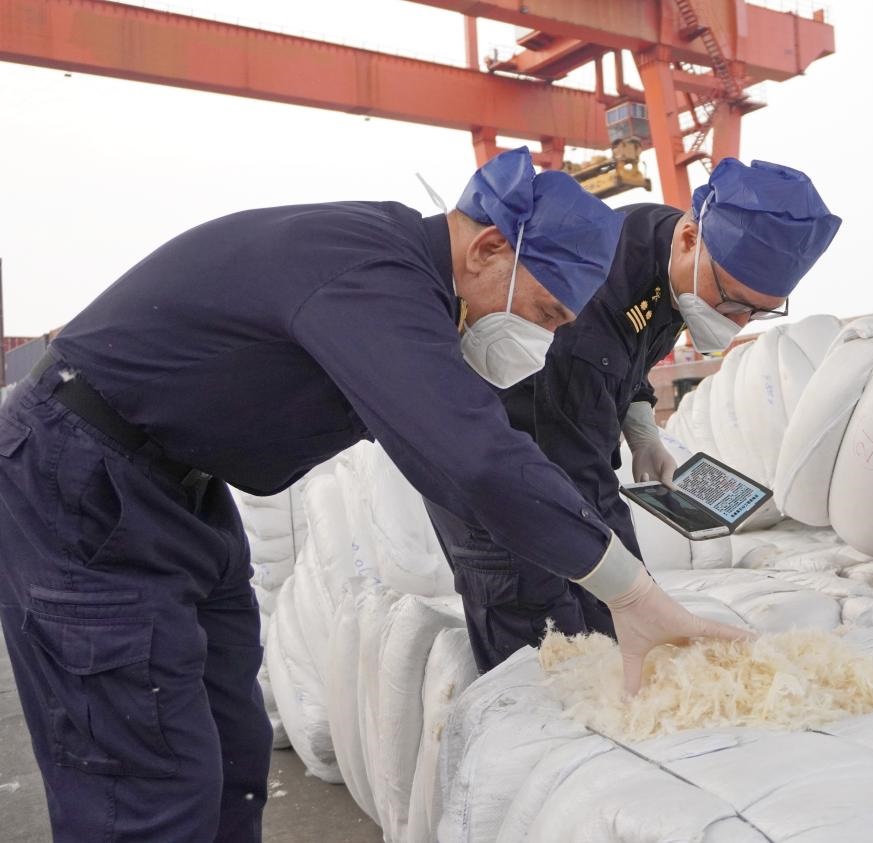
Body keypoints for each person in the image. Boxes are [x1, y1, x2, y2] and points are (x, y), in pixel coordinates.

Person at [0, 147, 747, 843]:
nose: (541, 341)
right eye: (545, 313)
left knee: (231, 743)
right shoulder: (369, 275)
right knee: (146, 771)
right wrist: (633, 593)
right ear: (488, 249)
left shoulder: (407, 281)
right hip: (84, 480)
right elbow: (474, 457)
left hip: (177, 484)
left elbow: (479, 438)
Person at [425, 158, 841, 673]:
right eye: (732, 301)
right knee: (541, 634)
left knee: (601, 621)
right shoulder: (590, 306)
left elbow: (633, 360)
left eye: (758, 311)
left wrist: (642, 428)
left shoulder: (661, 248)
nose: (736, 321)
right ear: (691, 237)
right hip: (496, 464)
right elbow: (582, 477)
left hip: (563, 441)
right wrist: (638, 595)